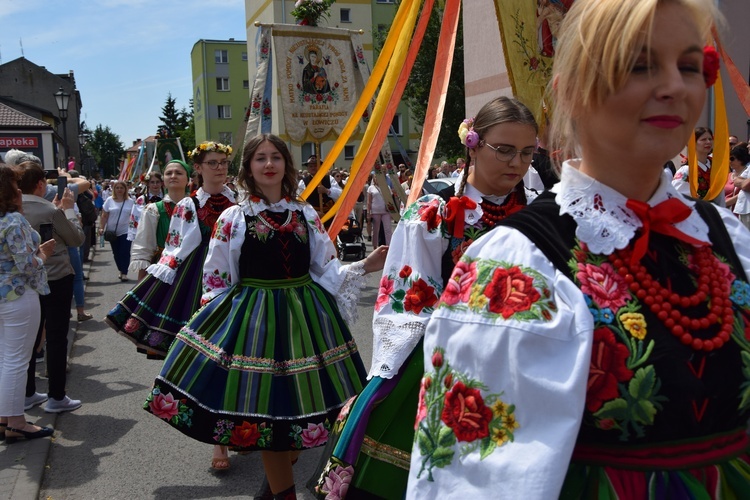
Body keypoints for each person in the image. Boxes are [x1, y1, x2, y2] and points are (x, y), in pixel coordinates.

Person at [406, 0, 750, 497]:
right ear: (572, 92)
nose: (675, 86)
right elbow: (480, 483)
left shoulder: (725, 238)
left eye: (691, 67)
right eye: (640, 64)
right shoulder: (515, 267)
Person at [310, 97, 539, 499]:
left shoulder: (541, 214)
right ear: (474, 143)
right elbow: (408, 297)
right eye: (503, 149)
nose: (516, 162)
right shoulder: (435, 212)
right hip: (446, 355)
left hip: (527, 357)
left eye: (526, 152)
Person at [144, 133, 387, 499]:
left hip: (308, 321)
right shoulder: (235, 217)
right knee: (268, 419)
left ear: (286, 165)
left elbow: (326, 268)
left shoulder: (305, 213)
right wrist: (217, 325)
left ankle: (272, 488)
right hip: (255, 322)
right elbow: (218, 277)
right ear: (249, 168)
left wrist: (366, 265)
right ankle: (282, 493)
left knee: (306, 417)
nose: (269, 164)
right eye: (260, 158)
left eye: (276, 157)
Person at [106, 142, 235, 471]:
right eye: (212, 163)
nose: (219, 168)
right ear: (200, 169)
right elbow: (174, 251)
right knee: (209, 359)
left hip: (238, 281)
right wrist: (151, 286)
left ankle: (231, 431)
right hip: (198, 283)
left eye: (223, 162)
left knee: (237, 359)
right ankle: (218, 442)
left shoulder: (240, 202)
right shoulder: (189, 205)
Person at [19, 161, 84, 414]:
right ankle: (56, 396)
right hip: (55, 277)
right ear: (39, 184)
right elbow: (76, 238)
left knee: (27, 339)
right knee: (56, 336)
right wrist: (67, 210)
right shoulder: (50, 209)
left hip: (24, 281)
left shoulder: (11, 210)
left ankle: (27, 393)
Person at [0, 163, 55, 443]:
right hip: (18, 296)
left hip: (2, 296)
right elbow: (26, 265)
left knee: (4, 359)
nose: (19, 189)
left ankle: (5, 418)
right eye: (14, 184)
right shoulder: (13, 221)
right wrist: (42, 255)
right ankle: (17, 422)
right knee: (16, 361)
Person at [127, 161, 191, 281]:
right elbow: (144, 247)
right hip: (162, 270)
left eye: (178, 173)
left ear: (187, 179)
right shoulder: (153, 210)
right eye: (168, 173)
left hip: (193, 268)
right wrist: (140, 286)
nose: (173, 176)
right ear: (164, 182)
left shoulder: (198, 207)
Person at [672, 127, 725, 205]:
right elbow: (677, 196)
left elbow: (720, 197)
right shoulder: (686, 171)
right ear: (693, 143)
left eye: (710, 139)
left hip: (714, 212)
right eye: (703, 139)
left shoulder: (716, 168)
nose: (708, 142)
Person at [99, 181, 134, 281]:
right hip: (112, 232)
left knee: (125, 252)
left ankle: (124, 272)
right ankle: (120, 269)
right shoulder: (109, 200)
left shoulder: (130, 201)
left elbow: (134, 217)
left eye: (121, 188)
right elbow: (104, 215)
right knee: (116, 253)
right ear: (114, 189)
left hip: (126, 231)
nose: (119, 190)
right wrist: (101, 227)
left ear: (125, 189)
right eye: (117, 188)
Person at [127, 172, 164, 242]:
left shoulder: (167, 198)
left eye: (157, 182)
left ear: (161, 183)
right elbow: (134, 219)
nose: (155, 185)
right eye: (152, 182)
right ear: (148, 184)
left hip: (164, 234)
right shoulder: (141, 200)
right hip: (146, 236)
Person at [367, 176, 393, 246]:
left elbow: (390, 199)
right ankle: (375, 247)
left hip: (386, 211)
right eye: (375, 177)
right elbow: (369, 202)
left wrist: (392, 212)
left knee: (388, 230)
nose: (377, 179)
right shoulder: (371, 188)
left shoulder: (387, 187)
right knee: (375, 230)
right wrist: (368, 213)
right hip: (375, 211)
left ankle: (389, 247)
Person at [730, 143, 750, 229]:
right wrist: (744, 182)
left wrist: (744, 182)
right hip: (743, 210)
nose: (748, 146)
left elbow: (746, 185)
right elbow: (736, 181)